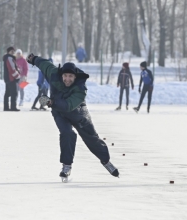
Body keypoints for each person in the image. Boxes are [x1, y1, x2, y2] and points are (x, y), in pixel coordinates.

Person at [26, 53, 119, 181]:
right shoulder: (53, 73)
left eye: (70, 76)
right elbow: (44, 64)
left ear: (75, 76)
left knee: (91, 138)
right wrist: (34, 59)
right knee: (67, 133)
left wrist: (51, 102)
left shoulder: (80, 88)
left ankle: (106, 161)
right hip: (59, 112)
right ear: (61, 75)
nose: (67, 79)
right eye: (65, 76)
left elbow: (69, 106)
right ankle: (66, 166)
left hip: (79, 113)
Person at [3, 46, 21, 111]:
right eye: (11, 51)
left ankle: (6, 107)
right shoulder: (9, 58)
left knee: (7, 93)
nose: (13, 52)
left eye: (13, 51)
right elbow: (12, 69)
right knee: (14, 93)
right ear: (8, 51)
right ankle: (13, 107)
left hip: (7, 78)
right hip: (11, 78)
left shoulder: (7, 58)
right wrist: (17, 76)